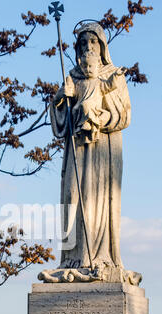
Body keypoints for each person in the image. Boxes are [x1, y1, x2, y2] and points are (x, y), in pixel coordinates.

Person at [50, 22, 131, 272]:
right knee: (73, 195)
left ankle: (100, 256)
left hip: (103, 149)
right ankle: (74, 256)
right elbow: (59, 120)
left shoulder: (113, 75)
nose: (88, 46)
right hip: (77, 147)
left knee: (98, 199)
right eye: (83, 42)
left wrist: (104, 118)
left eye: (93, 41)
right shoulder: (73, 76)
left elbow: (124, 114)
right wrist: (61, 98)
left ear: (102, 45)